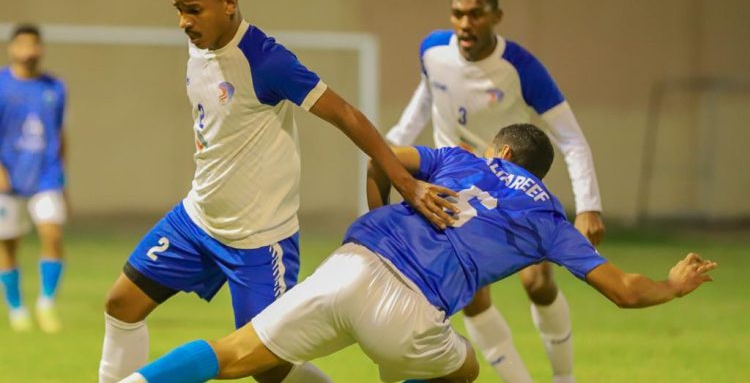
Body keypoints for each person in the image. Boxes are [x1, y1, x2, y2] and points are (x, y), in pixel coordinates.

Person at [119, 123, 716, 383]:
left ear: (501, 152)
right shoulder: (549, 218)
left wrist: (380, 209)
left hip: (351, 266)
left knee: (232, 354)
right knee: (467, 370)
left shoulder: (461, 159)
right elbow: (623, 291)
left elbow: (382, 156)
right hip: (410, 313)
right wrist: (673, 284)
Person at [97, 0, 457, 383]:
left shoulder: (266, 61)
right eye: (178, 10)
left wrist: (406, 183)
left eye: (193, 10)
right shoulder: (199, 45)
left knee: (269, 371)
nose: (183, 22)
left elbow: (346, 114)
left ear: (229, 3)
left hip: (259, 240)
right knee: (121, 304)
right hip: (197, 220)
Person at [386, 0, 605, 382]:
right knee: (471, 295)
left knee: (538, 281)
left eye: (475, 14)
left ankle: (564, 377)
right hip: (456, 182)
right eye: (458, 14)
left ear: (496, 16)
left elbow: (571, 138)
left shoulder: (522, 68)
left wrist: (589, 206)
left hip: (511, 187)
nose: (465, 23)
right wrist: (394, 142)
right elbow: (429, 95)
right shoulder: (432, 50)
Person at [0, 24, 68, 334]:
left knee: (52, 234)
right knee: (8, 244)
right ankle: (17, 309)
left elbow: (60, 132)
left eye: (34, 44)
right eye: (23, 44)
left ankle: (46, 303)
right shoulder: (2, 85)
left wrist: (63, 177)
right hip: (9, 177)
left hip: (46, 176)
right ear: (12, 48)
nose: (30, 50)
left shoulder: (55, 87)